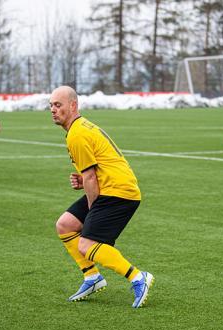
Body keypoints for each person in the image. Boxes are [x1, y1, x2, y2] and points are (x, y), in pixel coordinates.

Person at [50, 86, 154, 308]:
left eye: (58, 105)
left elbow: (90, 178)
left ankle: (138, 277)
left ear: (73, 105)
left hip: (119, 191)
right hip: (110, 186)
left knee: (87, 244)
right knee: (65, 225)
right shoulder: (79, 128)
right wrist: (83, 180)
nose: (53, 110)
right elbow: (91, 172)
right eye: (51, 105)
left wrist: (92, 210)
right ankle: (92, 277)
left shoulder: (77, 133)